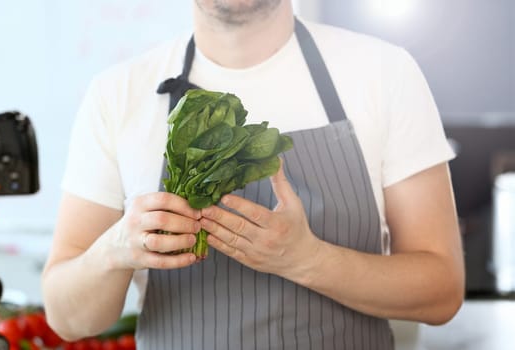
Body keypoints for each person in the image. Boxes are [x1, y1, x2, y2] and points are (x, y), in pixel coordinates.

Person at [41, 0, 464, 348]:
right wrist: (116, 249)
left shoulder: (385, 73)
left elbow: (441, 291)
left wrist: (309, 261)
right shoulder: (116, 94)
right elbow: (68, 318)